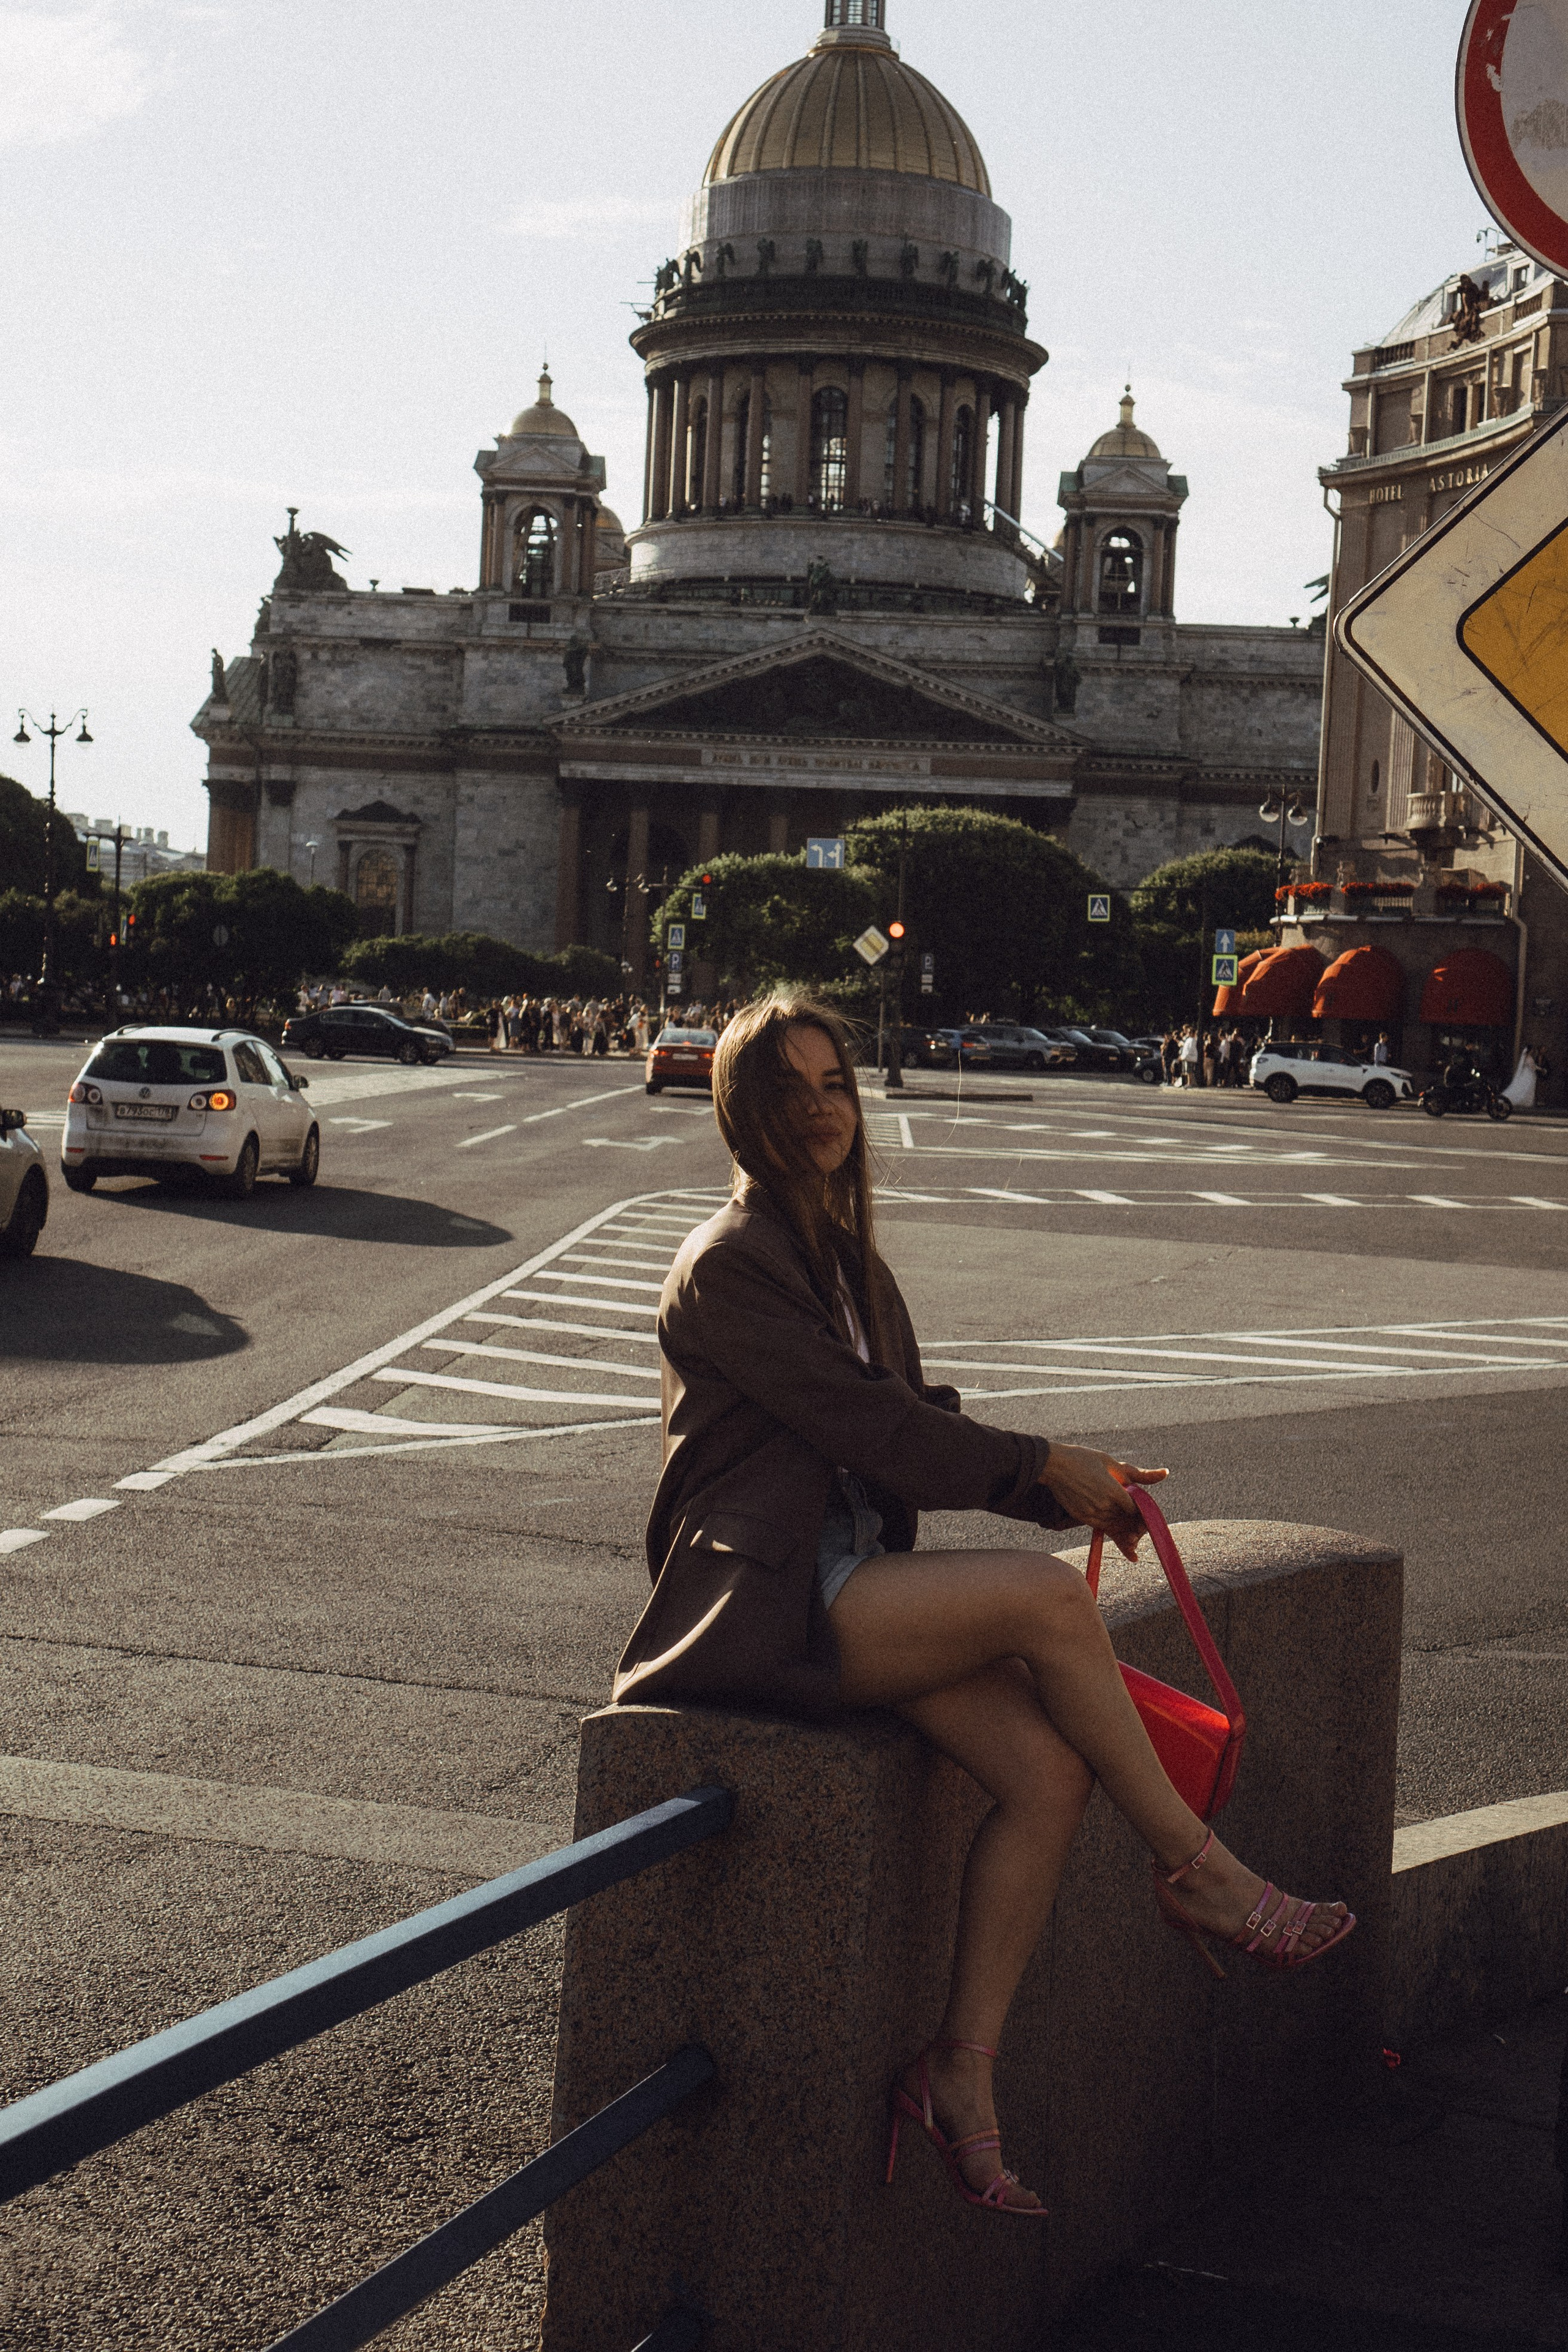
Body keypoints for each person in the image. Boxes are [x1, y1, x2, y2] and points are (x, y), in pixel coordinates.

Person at [614, 993, 1355, 2217]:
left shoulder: (843, 1255)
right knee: (1044, 1613)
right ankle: (1199, 1871)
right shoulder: (729, 1263)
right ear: (738, 1115)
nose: (817, 1111)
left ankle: (957, 2069)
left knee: (1047, 1775)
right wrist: (1039, 1471)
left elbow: (916, 1418)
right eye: (785, 1090)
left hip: (846, 1574)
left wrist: (1074, 1494)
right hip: (765, 1596)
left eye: (833, 1084)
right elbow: (867, 1427)